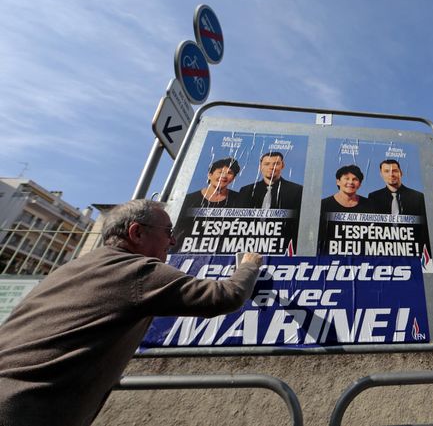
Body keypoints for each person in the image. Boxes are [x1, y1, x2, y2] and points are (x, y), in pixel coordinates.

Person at [0, 200, 263, 426]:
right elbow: (225, 296)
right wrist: (249, 266)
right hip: (23, 409)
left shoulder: (73, 268)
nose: (173, 241)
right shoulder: (138, 271)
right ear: (136, 233)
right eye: (168, 231)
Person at [238, 151, 303, 210]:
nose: (271, 167)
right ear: (260, 167)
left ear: (282, 165)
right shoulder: (246, 191)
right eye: (267, 164)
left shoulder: (297, 191)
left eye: (276, 164)